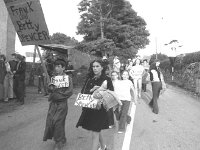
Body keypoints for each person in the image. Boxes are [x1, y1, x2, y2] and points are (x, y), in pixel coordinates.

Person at [76, 59, 114, 150]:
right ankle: (104, 147)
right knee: (96, 129)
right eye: (93, 66)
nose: (95, 68)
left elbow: (112, 94)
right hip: (90, 108)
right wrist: (90, 92)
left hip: (101, 109)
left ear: (102, 68)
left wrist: (101, 92)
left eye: (97, 66)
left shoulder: (107, 79)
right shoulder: (89, 79)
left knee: (94, 133)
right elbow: (83, 92)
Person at [43, 59, 73, 150]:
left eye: (59, 66)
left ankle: (58, 142)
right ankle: (62, 138)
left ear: (63, 68)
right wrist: (49, 86)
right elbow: (49, 90)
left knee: (58, 122)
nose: (56, 68)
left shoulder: (68, 78)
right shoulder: (53, 78)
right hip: (53, 104)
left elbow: (69, 92)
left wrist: (58, 96)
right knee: (51, 121)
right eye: (55, 66)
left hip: (62, 104)